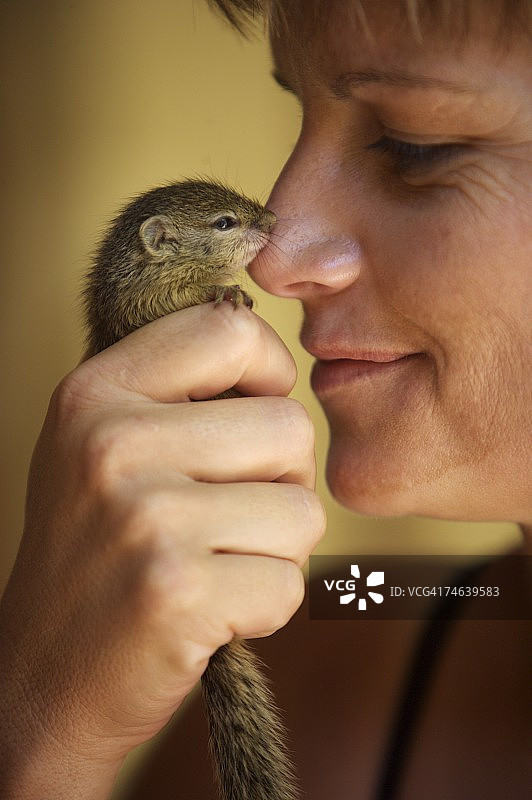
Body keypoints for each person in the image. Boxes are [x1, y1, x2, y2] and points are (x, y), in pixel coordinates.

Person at [0, 1, 530, 798]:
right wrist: (44, 742)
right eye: (299, 113)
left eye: (417, 144)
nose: (277, 257)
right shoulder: (340, 637)